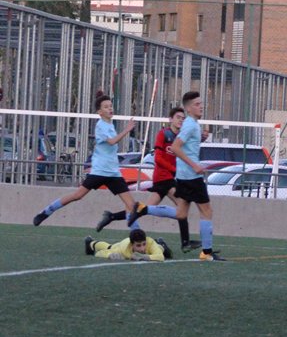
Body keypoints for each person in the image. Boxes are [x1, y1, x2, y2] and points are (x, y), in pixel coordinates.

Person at [98, 106, 203, 253]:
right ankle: (185, 243)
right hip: (163, 178)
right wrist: (174, 170)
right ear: (170, 119)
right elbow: (158, 158)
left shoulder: (180, 138)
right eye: (178, 117)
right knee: (182, 206)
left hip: (169, 178)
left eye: (182, 118)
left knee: (145, 208)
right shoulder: (164, 134)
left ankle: (112, 216)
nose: (181, 120)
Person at [33, 93, 142, 228]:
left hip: (113, 173)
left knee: (131, 205)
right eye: (106, 107)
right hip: (99, 171)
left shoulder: (110, 125)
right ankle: (46, 212)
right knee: (77, 195)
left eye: (110, 106)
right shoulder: (100, 126)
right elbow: (112, 141)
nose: (110, 109)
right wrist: (127, 129)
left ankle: (136, 235)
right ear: (100, 112)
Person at [166, 91, 224, 261]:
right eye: (197, 104)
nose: (201, 107)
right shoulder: (190, 124)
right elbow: (176, 147)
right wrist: (195, 165)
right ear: (189, 108)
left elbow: (186, 147)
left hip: (184, 175)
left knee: (181, 213)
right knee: (206, 211)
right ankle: (206, 252)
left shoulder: (192, 125)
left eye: (201, 103)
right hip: (191, 176)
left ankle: (144, 209)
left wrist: (201, 139)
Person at [84, 229, 172, 261]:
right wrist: (110, 255)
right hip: (119, 245)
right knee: (110, 247)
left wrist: (144, 257)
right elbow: (100, 253)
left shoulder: (150, 242)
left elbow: (160, 257)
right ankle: (90, 242)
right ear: (132, 244)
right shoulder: (123, 250)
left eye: (143, 244)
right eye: (138, 245)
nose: (142, 249)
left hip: (155, 246)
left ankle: (161, 243)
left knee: (164, 251)